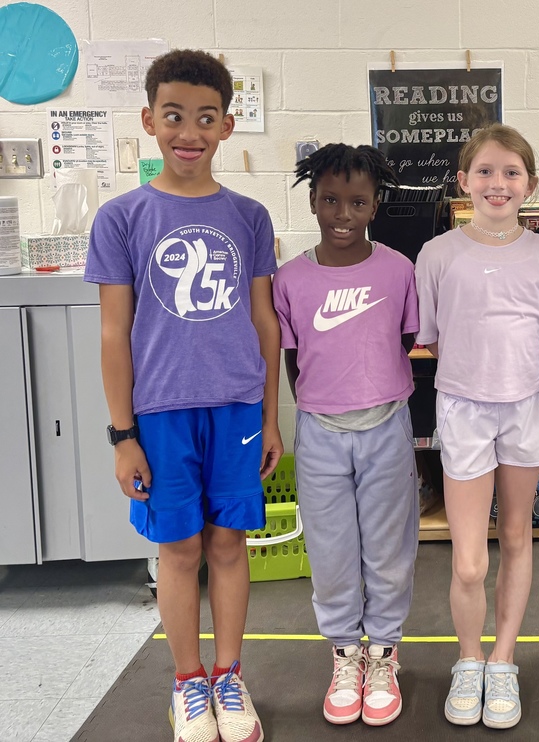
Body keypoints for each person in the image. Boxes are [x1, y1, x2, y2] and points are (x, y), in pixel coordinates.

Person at [85, 49, 282, 742]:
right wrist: (121, 434)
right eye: (174, 116)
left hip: (234, 409)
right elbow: (115, 335)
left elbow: (265, 322)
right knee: (180, 549)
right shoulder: (121, 218)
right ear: (149, 120)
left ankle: (230, 678)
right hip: (161, 415)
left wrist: (270, 417)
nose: (189, 132)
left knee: (230, 544)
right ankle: (188, 683)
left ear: (228, 126)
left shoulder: (250, 216)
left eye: (205, 118)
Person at [415, 124, 539, 729]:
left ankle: (502, 659)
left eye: (511, 172)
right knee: (470, 561)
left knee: (517, 539)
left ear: (530, 183)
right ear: (463, 181)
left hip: (525, 408)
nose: (497, 183)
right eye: (484, 171)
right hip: (463, 409)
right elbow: (428, 337)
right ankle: (469, 658)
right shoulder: (438, 254)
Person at [273, 143, 419, 727]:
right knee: (332, 554)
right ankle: (344, 654)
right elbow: (291, 356)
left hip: (386, 425)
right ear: (312, 201)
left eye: (357, 202)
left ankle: (382, 654)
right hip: (320, 434)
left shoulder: (398, 270)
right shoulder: (290, 278)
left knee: (387, 552)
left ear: (375, 204)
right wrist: (319, 399)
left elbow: (403, 343)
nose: (343, 213)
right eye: (330, 199)